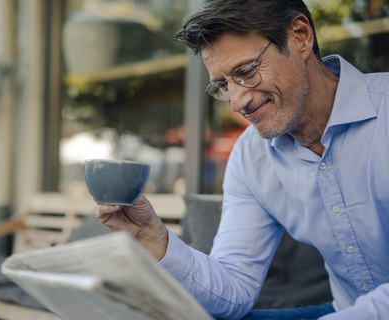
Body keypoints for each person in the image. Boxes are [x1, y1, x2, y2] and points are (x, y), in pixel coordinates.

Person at [95, 0, 389, 319]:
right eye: (223, 85)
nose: (237, 102)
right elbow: (233, 290)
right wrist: (151, 237)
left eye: (246, 72)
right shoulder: (252, 156)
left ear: (301, 36)